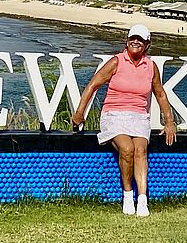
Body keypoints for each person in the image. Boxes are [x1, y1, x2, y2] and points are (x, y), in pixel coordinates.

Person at [72, 24, 177, 217]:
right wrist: (80, 113)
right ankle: (128, 195)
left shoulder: (150, 66)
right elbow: (93, 85)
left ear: (147, 44)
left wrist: (169, 122)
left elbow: (160, 94)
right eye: (132, 38)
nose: (135, 42)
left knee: (140, 150)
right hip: (114, 115)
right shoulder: (116, 62)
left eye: (140, 39)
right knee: (127, 148)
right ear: (127, 41)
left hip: (139, 117)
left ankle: (142, 200)